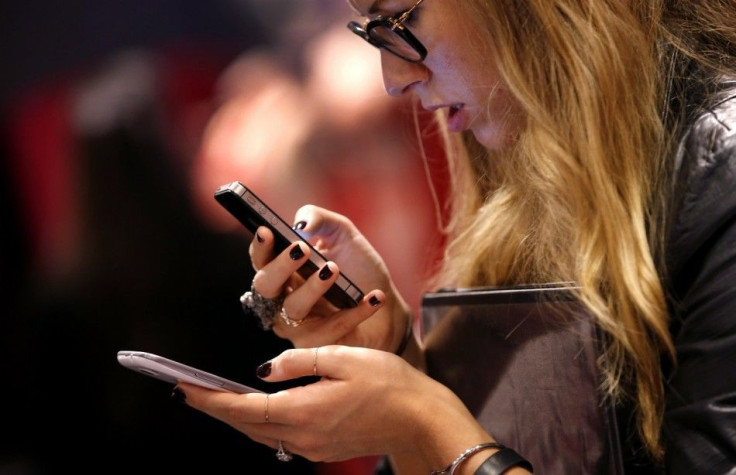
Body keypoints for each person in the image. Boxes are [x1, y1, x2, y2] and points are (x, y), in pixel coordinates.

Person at [172, 0, 736, 474]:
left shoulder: (722, 166)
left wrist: (430, 424)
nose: (393, 79)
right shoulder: (522, 161)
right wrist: (396, 351)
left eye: (399, 21)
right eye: (369, 33)